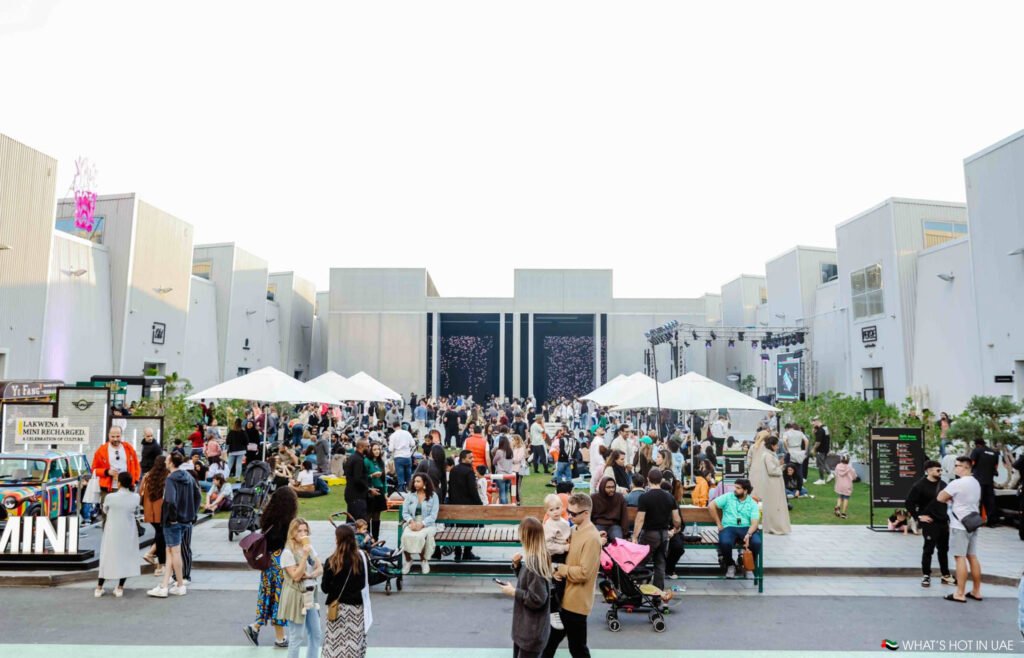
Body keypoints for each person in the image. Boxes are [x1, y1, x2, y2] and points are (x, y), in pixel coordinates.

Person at [541, 493, 601, 658]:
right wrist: (555, 568)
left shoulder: (591, 538)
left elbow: (584, 573)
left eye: (574, 514)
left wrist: (560, 568)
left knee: (576, 648)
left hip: (576, 602)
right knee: (552, 644)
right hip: (564, 598)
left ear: (586, 513)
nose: (569, 516)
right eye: (569, 512)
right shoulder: (572, 530)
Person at [244, 486, 299, 648]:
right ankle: (280, 638)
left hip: (268, 561)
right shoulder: (288, 522)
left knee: (267, 596)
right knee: (280, 600)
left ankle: (255, 626)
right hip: (281, 562)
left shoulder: (267, 517)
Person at [497, 516, 553, 658]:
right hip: (526, 631)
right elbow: (530, 585)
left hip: (530, 632)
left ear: (526, 537)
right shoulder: (536, 558)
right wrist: (517, 567)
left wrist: (514, 592)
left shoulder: (534, 563)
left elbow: (538, 599)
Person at [148, 452, 201, 598]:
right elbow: (198, 495)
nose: (165, 461)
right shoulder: (188, 476)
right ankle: (165, 584)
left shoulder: (171, 479)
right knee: (170, 551)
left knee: (174, 552)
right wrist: (193, 513)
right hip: (186, 519)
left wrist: (172, 518)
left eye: (167, 459)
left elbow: (170, 500)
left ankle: (179, 584)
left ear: (171, 463)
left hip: (174, 521)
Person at [321, 524, 372, 658]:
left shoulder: (331, 561)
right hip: (356, 609)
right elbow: (369, 580)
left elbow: (325, 588)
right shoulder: (362, 558)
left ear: (337, 540)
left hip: (336, 608)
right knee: (354, 644)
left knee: (334, 645)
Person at [937, 456, 983, 603]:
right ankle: (976, 591)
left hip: (959, 525)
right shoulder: (976, 482)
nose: (955, 468)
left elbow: (940, 497)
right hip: (973, 523)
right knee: (972, 556)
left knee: (960, 557)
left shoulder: (957, 483)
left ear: (966, 467)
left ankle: (960, 593)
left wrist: (951, 498)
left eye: (957, 465)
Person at [277, 518, 324, 658]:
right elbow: (296, 576)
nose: (304, 534)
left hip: (310, 596)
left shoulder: (309, 547)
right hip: (296, 597)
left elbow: (320, 568)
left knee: (316, 634)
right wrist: (304, 556)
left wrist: (309, 575)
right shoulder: (287, 553)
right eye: (300, 531)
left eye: (305, 530)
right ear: (292, 533)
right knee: (296, 637)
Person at [906, 460, 954, 588]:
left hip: (943, 522)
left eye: (940, 469)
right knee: (928, 549)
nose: (939, 471)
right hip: (930, 522)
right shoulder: (919, 485)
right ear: (928, 471)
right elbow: (909, 503)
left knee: (943, 550)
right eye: (936, 469)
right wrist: (919, 517)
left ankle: (945, 575)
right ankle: (926, 575)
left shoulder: (944, 485)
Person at [631, 468, 681, 591]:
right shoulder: (669, 497)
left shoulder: (645, 497)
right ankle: (658, 593)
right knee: (660, 564)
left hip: (650, 534)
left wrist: (635, 537)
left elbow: (640, 519)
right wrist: (675, 529)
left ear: (648, 480)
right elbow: (676, 519)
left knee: (640, 562)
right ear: (661, 480)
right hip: (664, 534)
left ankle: (635, 589)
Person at [95, 471, 141, 598]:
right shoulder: (136, 497)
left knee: (107, 556)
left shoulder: (110, 497)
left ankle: (99, 587)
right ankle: (120, 587)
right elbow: (136, 512)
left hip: (112, 530)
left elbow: (105, 510)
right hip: (128, 530)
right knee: (125, 557)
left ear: (119, 483)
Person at [708, 478, 762, 579]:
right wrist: (719, 524)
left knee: (757, 542)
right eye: (735, 487)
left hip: (747, 528)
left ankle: (747, 566)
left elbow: (755, 523)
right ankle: (730, 565)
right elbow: (711, 506)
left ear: (745, 490)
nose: (735, 489)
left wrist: (749, 534)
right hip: (729, 527)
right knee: (725, 542)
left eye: (738, 488)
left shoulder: (752, 503)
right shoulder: (728, 497)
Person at [91, 425, 142, 507]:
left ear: (121, 435)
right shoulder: (101, 451)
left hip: (126, 487)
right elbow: (94, 470)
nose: (115, 439)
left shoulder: (129, 448)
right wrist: (107, 472)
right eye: (113, 436)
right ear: (109, 436)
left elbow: (136, 466)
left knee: (126, 511)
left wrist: (135, 481)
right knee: (107, 512)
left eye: (118, 436)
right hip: (108, 488)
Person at [399, 472, 439, 574]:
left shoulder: (433, 496)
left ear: (425, 482)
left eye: (418, 481)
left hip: (427, 523)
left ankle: (423, 560)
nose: (415, 483)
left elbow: (433, 516)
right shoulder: (410, 495)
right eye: (414, 481)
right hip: (412, 521)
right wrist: (411, 522)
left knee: (420, 536)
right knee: (405, 536)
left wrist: (422, 524)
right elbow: (405, 512)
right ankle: (408, 560)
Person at [140, 456, 168, 575]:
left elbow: (141, 491)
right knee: (162, 535)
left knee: (159, 533)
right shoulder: (167, 476)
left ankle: (152, 554)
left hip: (149, 510)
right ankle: (160, 565)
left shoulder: (147, 476)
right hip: (162, 510)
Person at [758, 436, 791, 534]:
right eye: (776, 445)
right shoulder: (768, 455)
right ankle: (775, 527)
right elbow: (772, 470)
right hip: (772, 483)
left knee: (775, 504)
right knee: (775, 504)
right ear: (772, 445)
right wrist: (781, 467)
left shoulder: (770, 454)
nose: (777, 447)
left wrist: (779, 464)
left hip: (773, 483)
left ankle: (773, 526)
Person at [969, 438, 1001, 526]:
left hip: (978, 481)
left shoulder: (977, 450)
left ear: (976, 444)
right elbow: (996, 466)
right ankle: (992, 522)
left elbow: (972, 463)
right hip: (989, 481)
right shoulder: (994, 452)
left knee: (977, 501)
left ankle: (977, 522)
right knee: (990, 501)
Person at [590, 476, 629, 542]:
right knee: (595, 540)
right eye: (608, 487)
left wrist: (625, 533)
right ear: (602, 487)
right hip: (599, 524)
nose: (611, 489)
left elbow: (624, 516)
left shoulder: (619, 497)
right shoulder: (594, 498)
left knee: (618, 541)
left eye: (613, 487)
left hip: (614, 525)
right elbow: (588, 516)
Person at [344, 439, 372, 522]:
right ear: (361, 447)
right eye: (367, 446)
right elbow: (358, 478)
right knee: (359, 521)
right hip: (357, 495)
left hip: (351, 493)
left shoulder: (353, 457)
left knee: (352, 519)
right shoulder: (358, 460)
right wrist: (368, 489)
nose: (369, 448)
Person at [364, 442, 388, 540]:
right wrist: (372, 476)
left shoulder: (380, 462)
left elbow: (384, 478)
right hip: (370, 489)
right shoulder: (366, 461)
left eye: (378, 449)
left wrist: (386, 491)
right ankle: (368, 538)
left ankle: (375, 538)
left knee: (377, 515)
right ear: (370, 450)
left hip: (380, 489)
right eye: (374, 449)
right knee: (368, 515)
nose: (377, 451)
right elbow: (362, 477)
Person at [388, 421, 416, 492]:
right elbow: (413, 444)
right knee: (409, 478)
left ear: (393, 427)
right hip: (407, 456)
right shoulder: (407, 433)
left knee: (401, 479)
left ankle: (402, 494)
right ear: (400, 425)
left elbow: (390, 449)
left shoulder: (393, 435)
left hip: (398, 457)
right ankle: (410, 492)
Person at [492, 435, 516, 504]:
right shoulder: (510, 451)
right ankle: (506, 507)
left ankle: (504, 508)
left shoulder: (499, 451)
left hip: (501, 475)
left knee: (502, 493)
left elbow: (494, 462)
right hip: (509, 474)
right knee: (506, 493)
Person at [833, 454, 856, 519]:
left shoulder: (837, 466)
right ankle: (843, 514)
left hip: (839, 484)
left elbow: (835, 474)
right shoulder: (850, 468)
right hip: (847, 485)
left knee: (840, 497)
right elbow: (854, 476)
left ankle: (837, 507)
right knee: (846, 498)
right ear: (848, 460)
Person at [811, 417, 833, 484]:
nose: (813, 425)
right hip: (825, 449)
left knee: (820, 464)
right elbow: (827, 438)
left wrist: (813, 449)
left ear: (817, 421)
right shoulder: (825, 428)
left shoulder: (820, 430)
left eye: (813, 423)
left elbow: (818, 442)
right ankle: (830, 474)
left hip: (821, 449)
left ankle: (822, 479)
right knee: (823, 462)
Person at [588, 428, 607, 493]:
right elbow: (598, 456)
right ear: (595, 433)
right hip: (598, 467)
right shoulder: (597, 442)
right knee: (596, 485)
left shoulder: (599, 440)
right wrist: (603, 465)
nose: (601, 428)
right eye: (598, 428)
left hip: (599, 467)